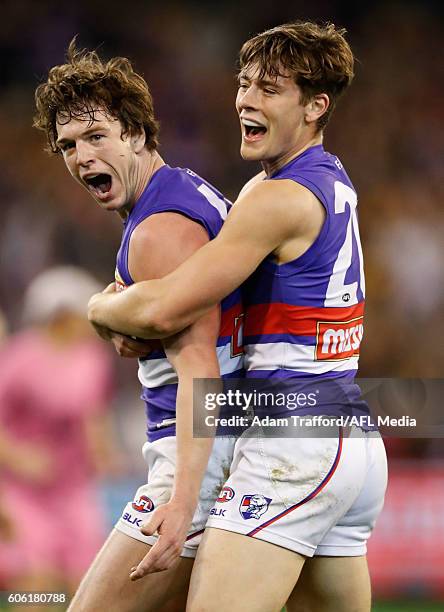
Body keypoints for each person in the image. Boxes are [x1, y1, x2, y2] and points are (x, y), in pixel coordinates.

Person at [87, 21, 388, 612]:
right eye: (244, 83)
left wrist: (101, 307)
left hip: (293, 439)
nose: (246, 100)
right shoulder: (322, 182)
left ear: (314, 107)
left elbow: (168, 304)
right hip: (346, 437)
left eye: (270, 89)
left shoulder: (277, 199)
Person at [33, 42, 243, 611]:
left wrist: (182, 499)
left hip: (193, 458)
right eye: (69, 145)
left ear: (135, 133)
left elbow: (200, 366)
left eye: (97, 136)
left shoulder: (159, 230)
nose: (81, 156)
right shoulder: (181, 191)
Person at [0, 267, 118, 602]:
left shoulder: (91, 359)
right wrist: (19, 458)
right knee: (36, 583)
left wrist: (106, 458)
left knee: (86, 579)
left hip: (74, 487)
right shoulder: (19, 358)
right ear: (62, 315)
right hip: (25, 491)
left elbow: (94, 416)